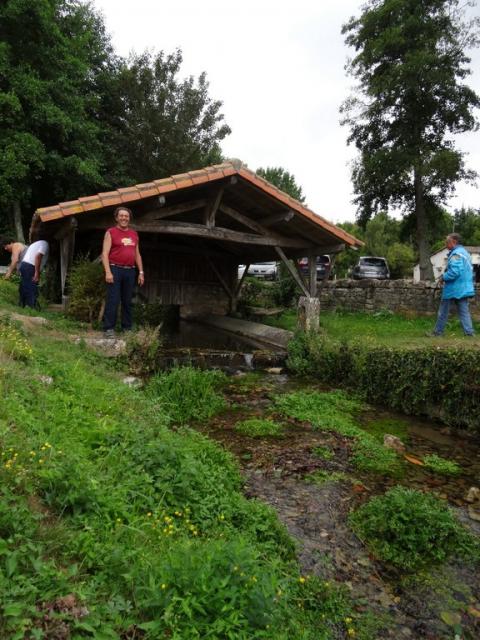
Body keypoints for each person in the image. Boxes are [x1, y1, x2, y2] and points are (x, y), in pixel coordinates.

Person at [102, 206, 144, 336]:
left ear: (129, 218)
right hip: (115, 269)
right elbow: (104, 254)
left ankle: (127, 328)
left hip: (130, 271)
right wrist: (108, 272)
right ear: (116, 218)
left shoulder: (134, 234)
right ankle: (109, 328)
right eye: (121, 216)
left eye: (126, 216)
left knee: (127, 301)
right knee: (113, 299)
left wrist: (141, 272)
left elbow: (137, 254)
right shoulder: (111, 232)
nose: (124, 218)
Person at [431, 233, 475, 337]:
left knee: (443, 311)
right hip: (463, 288)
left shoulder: (456, 254)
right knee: (464, 311)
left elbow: (455, 272)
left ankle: (438, 332)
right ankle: (469, 333)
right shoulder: (464, 252)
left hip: (454, 288)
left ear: (454, 242)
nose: (446, 244)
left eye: (447, 242)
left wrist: (443, 277)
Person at [18, 239, 49, 308]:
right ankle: (31, 306)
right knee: (31, 287)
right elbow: (38, 257)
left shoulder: (35, 244)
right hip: (30, 266)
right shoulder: (45, 243)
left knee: (24, 286)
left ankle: (22, 305)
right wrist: (37, 273)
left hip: (24, 264)